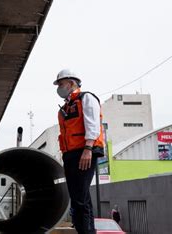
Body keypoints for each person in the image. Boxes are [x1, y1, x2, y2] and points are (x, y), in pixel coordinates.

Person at [54, 69, 105, 234]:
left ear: (71, 83)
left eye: (61, 84)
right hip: (70, 155)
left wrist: (88, 148)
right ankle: (87, 230)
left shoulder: (86, 98)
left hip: (84, 152)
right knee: (79, 198)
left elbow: (93, 125)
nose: (59, 88)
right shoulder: (65, 108)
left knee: (80, 199)